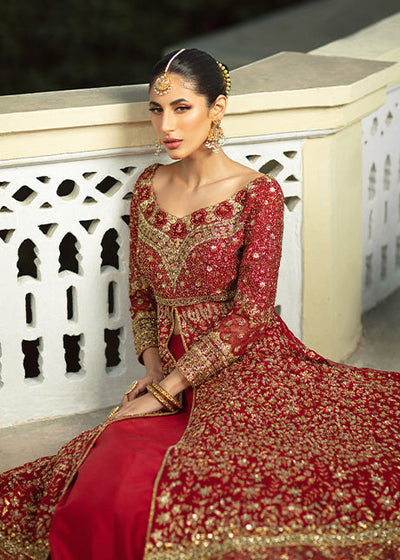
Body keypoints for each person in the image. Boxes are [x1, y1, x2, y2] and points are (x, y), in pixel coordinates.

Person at [1, 48, 399, 560]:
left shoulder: (258, 194)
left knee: (231, 482)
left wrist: (166, 391)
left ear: (218, 108)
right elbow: (141, 292)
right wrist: (152, 369)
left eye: (182, 108)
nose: (165, 125)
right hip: (167, 370)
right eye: (156, 109)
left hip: (244, 367)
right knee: (102, 477)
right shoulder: (149, 186)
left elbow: (252, 311)